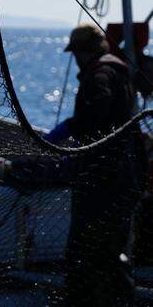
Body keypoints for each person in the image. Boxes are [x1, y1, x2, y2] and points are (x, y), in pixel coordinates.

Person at [59, 22, 145, 306]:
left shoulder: (99, 75)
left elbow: (98, 106)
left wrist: (73, 129)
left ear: (82, 52)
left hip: (104, 178)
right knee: (114, 249)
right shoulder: (120, 71)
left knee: (88, 249)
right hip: (126, 175)